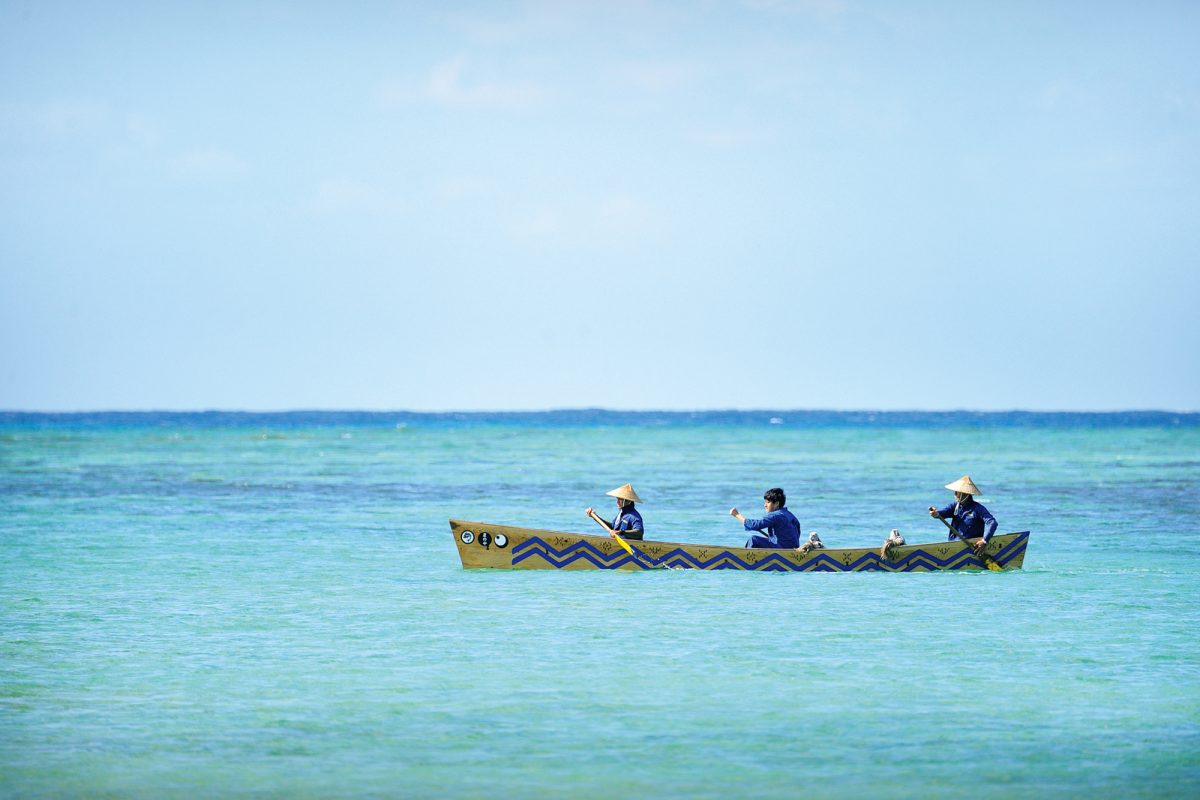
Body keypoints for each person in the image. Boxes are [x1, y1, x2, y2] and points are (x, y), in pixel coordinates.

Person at [928, 475, 997, 552]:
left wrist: (984, 541)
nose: (954, 494)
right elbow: (943, 513)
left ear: (965, 494)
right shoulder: (954, 506)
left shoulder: (978, 509)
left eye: (956, 492)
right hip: (953, 546)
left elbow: (992, 523)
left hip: (972, 547)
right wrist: (935, 513)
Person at [729, 487, 802, 549]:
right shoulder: (791, 515)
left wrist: (737, 515)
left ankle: (745, 561)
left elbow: (755, 525)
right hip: (793, 549)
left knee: (754, 540)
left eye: (768, 502)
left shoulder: (776, 515)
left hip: (783, 550)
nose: (765, 505)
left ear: (776, 503)